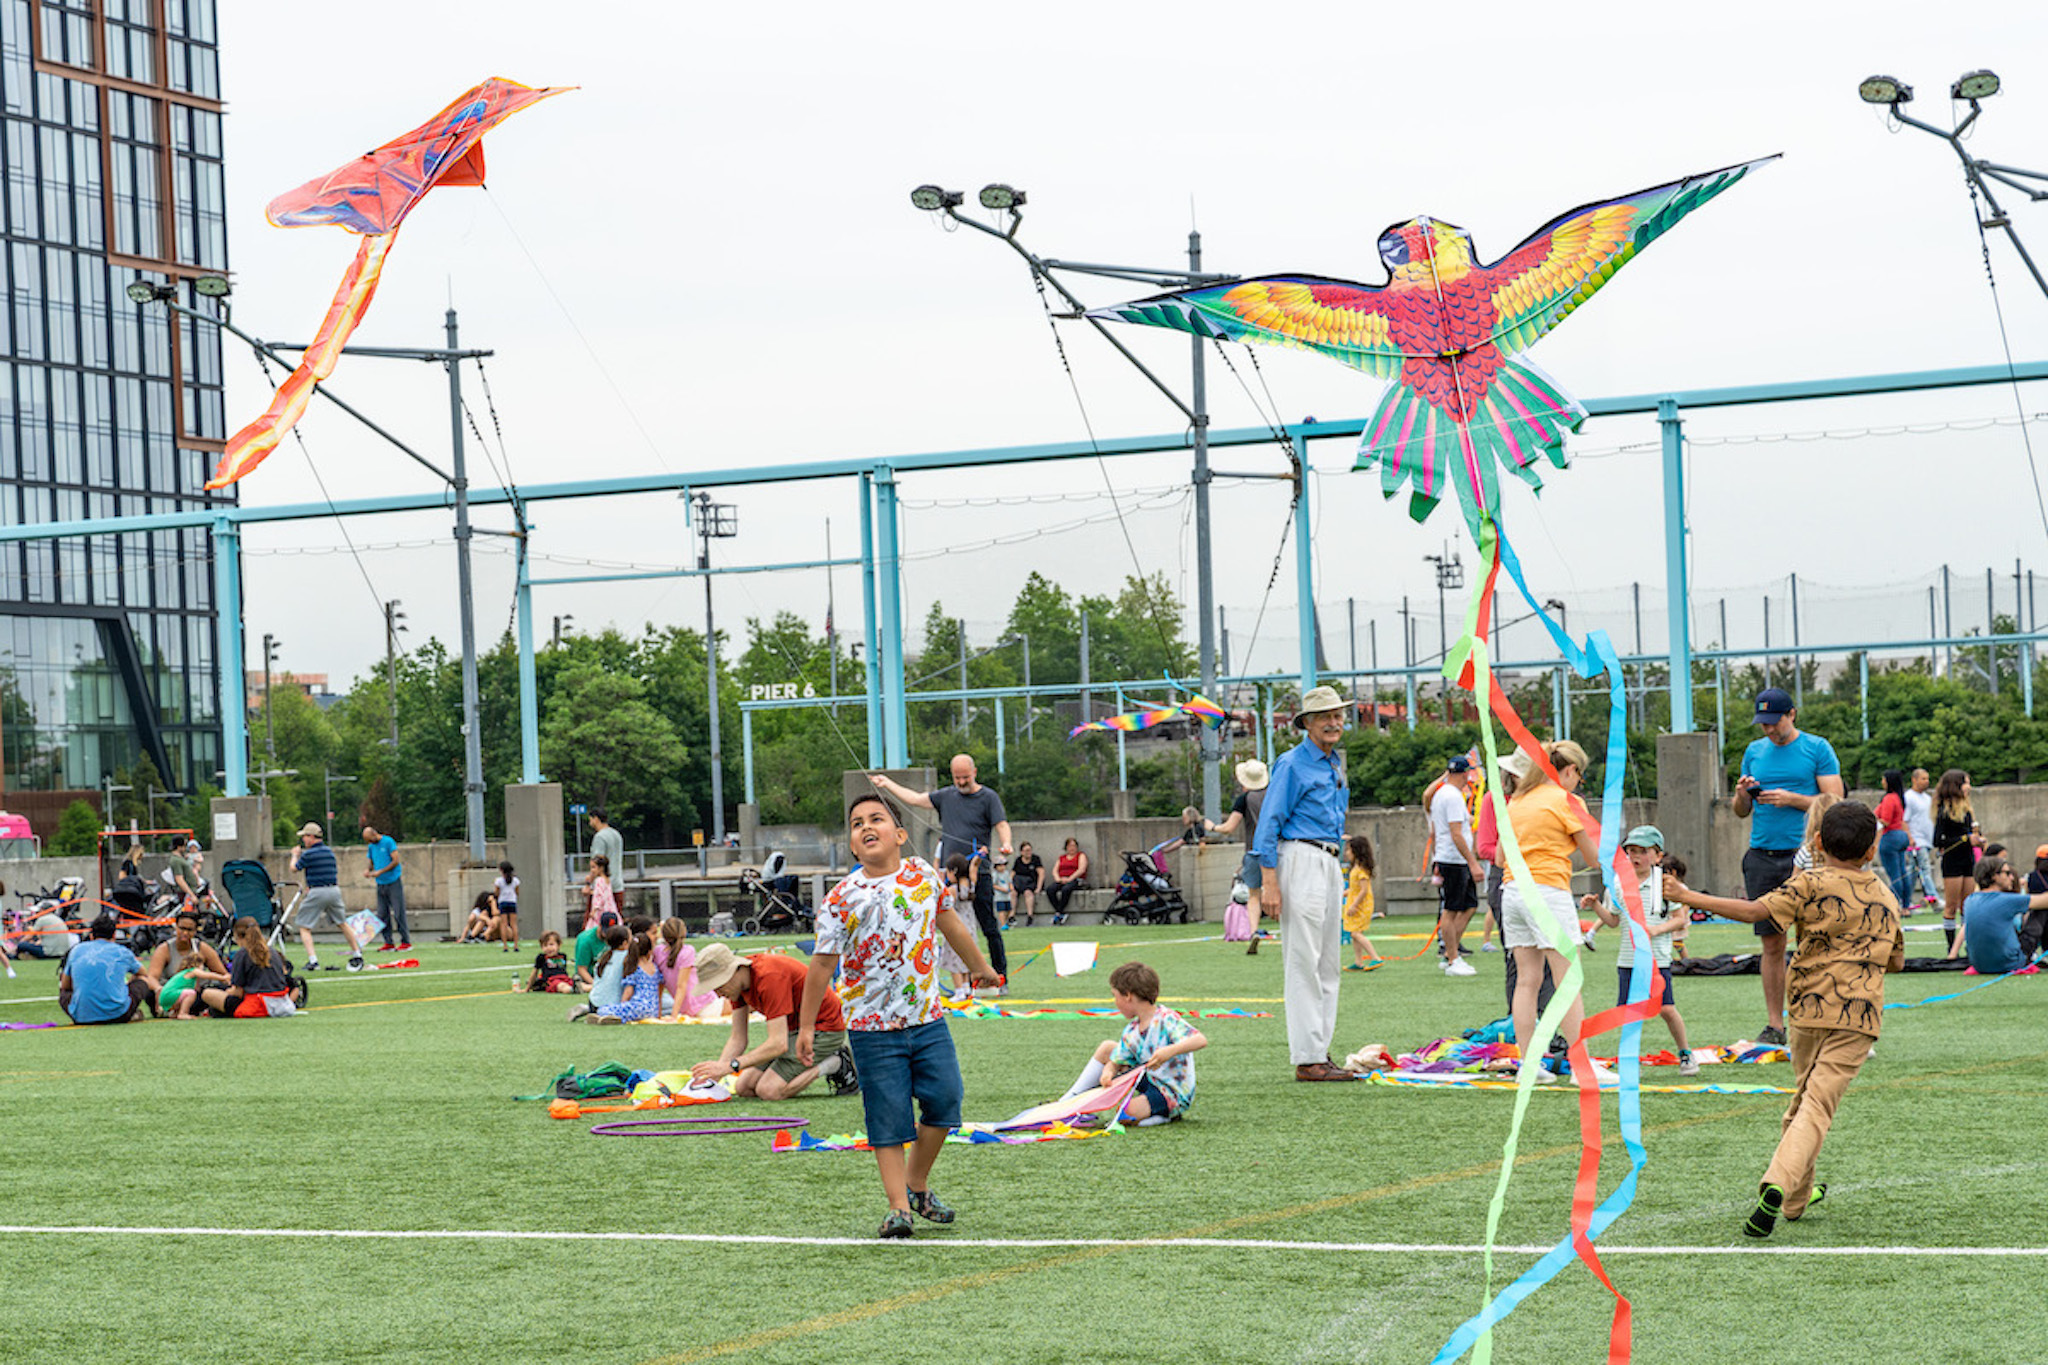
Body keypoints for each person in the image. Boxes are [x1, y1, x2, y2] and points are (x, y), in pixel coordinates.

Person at [1662, 801, 1905, 1236]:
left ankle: (1793, 1199)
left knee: (1802, 1104)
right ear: (1873, 850)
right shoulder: (1886, 897)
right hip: (1858, 1017)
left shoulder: (1807, 882)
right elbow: (1898, 962)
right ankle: (1777, 1182)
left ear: (1816, 843)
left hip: (1807, 1012)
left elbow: (1757, 912)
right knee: (1816, 1105)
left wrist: (1687, 896)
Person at [798, 792, 999, 1238]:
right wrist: (807, 1024)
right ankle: (898, 1209)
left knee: (946, 1101)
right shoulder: (841, 898)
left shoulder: (924, 876)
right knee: (887, 1119)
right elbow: (821, 966)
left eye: (877, 819)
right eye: (856, 824)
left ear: (901, 834)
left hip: (927, 1020)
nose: (867, 827)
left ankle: (916, 1184)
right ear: (852, 845)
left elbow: (951, 925)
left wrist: (980, 967)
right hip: (872, 1030)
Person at [1252, 685, 1356, 1082]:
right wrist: (1269, 880)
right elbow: (1270, 822)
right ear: (1307, 723)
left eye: (1338, 716)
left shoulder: (1332, 763)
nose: (1334, 722)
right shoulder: (1292, 764)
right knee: (1304, 960)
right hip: (1301, 857)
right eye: (1325, 716)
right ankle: (1308, 1055)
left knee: (1328, 962)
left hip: (1329, 859)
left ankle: (1319, 1051)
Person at [1733, 686, 1845, 1048]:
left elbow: (1835, 803)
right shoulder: (1754, 751)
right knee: (1771, 945)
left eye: (1774, 722)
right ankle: (1774, 1025)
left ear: (1792, 715)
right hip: (1762, 855)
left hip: (1808, 856)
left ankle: (1826, 1020)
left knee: (1817, 940)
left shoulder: (1817, 748)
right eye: (1763, 723)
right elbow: (1741, 811)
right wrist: (1741, 794)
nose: (1768, 730)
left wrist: (1793, 799)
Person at [1501, 740, 1615, 1085]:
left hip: (1512, 891)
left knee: (1527, 980)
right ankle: (1582, 1066)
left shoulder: (1517, 800)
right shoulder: (1566, 800)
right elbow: (1594, 857)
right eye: (1578, 776)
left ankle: (1528, 1064)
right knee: (1567, 979)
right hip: (1546, 890)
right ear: (1569, 771)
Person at [869, 756, 1013, 988]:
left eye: (966, 777)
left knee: (988, 927)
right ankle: (962, 984)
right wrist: (887, 784)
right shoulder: (946, 796)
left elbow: (1001, 824)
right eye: (957, 777)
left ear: (975, 772)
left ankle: (1000, 976)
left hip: (978, 873)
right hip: (950, 875)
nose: (961, 782)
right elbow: (915, 799)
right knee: (952, 929)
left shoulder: (988, 797)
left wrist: (1006, 843)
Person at [1580, 825, 1696, 1076]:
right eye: (1631, 851)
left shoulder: (1665, 884)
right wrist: (1596, 906)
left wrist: (1656, 931)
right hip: (1628, 960)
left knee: (1666, 1008)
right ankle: (1629, 1059)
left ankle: (1686, 1053)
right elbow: (1612, 921)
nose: (1635, 857)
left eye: (1643, 851)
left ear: (1658, 856)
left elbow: (1679, 919)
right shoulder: (1619, 885)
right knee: (1629, 1012)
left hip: (1658, 961)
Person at [691, 943, 858, 1101]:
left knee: (769, 1090)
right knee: (744, 1087)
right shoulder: (738, 985)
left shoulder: (769, 977)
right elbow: (738, 1039)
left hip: (824, 1029)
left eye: (718, 985)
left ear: (732, 972)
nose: (718, 995)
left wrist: (731, 1065)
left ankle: (835, 1062)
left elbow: (778, 1044)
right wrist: (715, 1076)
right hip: (794, 1031)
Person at [1060, 960, 1207, 1125]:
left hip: (1172, 1092)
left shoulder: (1166, 1018)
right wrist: (1108, 1072)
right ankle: (1068, 1104)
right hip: (1150, 1080)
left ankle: (1165, 1116)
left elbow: (1200, 1040)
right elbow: (1117, 1059)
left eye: (1115, 996)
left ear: (1128, 996)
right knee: (1107, 1048)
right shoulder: (1132, 1030)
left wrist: (1170, 1051)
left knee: (1124, 1115)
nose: (1114, 1001)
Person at [1201, 759, 1271, 955]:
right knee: (1283, 892)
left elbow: (1229, 828)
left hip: (1253, 851)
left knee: (1254, 895)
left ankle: (1253, 931)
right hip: (1278, 850)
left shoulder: (1244, 799)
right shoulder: (1275, 795)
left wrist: (1211, 826)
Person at [1420, 754, 1481, 976]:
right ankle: (1453, 958)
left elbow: (1437, 830)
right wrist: (1473, 863)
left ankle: (1450, 951)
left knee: (1469, 905)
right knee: (1451, 909)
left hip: (1451, 858)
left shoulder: (1442, 795)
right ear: (1464, 773)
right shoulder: (1452, 796)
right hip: (1453, 859)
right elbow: (1456, 833)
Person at [289, 822, 363, 973]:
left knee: (304, 927)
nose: (303, 840)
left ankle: (313, 961)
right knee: (342, 923)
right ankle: (357, 953)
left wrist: (294, 856)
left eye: (304, 837)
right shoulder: (329, 852)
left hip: (317, 892)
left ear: (311, 837)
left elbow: (294, 869)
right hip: (334, 890)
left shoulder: (308, 854)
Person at [1959, 856, 2048, 975]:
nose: (2012, 877)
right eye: (2007, 873)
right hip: (2010, 963)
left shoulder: (1970, 900)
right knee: (2042, 909)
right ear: (1994, 876)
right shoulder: (2005, 900)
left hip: (1979, 965)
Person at [58, 914, 150, 1024]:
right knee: (142, 980)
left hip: (81, 1016)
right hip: (118, 1015)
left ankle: (84, 1008)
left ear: (91, 935)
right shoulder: (122, 952)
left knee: (64, 988)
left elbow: (65, 985)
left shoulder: (77, 950)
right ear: (114, 935)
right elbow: (143, 973)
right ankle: (134, 1011)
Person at [201, 916, 299, 1019]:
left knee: (207, 994)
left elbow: (238, 993)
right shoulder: (273, 952)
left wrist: (227, 992)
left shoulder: (242, 954)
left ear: (238, 936)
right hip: (281, 1004)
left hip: (257, 1004)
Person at [1932, 769, 1982, 956]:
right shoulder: (1944, 810)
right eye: (1966, 783)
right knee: (1951, 906)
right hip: (1952, 861)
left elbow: (1972, 833)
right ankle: (1952, 948)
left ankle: (1969, 946)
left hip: (1968, 859)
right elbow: (1938, 840)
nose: (1969, 787)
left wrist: (1978, 839)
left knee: (1967, 906)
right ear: (1956, 786)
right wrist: (1964, 839)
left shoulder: (1967, 808)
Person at [145, 909, 229, 1020]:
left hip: (195, 997)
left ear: (195, 931)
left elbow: (223, 974)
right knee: (148, 992)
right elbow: (152, 977)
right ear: (175, 927)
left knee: (219, 990)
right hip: (170, 995)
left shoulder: (202, 948)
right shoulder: (164, 949)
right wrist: (158, 990)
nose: (185, 933)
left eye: (189, 930)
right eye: (182, 928)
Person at [652, 918, 719, 1019]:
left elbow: (661, 986)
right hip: (705, 1005)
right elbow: (681, 986)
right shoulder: (687, 951)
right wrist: (673, 1016)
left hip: (695, 1006)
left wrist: (659, 1014)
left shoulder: (658, 952)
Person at [588, 932, 660, 1024]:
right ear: (650, 951)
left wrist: (622, 1005)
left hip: (639, 1007)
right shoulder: (655, 968)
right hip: (654, 1010)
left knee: (604, 1009)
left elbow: (628, 992)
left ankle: (613, 1017)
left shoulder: (634, 969)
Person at [360, 822, 409, 952]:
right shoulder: (371, 846)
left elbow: (395, 861)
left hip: (393, 881)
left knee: (398, 912)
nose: (370, 843)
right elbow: (371, 861)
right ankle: (389, 942)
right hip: (380, 884)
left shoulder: (388, 842)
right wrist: (368, 870)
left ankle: (405, 941)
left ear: (375, 834)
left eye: (370, 840)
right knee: (382, 914)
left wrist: (380, 871)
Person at [1874, 769, 1914, 911]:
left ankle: (1895, 903)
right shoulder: (1898, 797)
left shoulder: (1889, 798)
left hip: (1890, 836)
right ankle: (1905, 904)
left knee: (1894, 875)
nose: (1882, 782)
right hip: (1901, 836)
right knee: (1903, 872)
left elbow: (1885, 820)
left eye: (1884, 779)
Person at [1903, 767, 1942, 911]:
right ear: (1914, 779)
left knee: (1913, 872)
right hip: (1917, 841)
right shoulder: (1908, 797)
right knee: (1924, 869)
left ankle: (1904, 899)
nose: (1926, 782)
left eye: (1927, 779)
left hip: (1927, 840)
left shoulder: (1927, 799)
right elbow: (1904, 820)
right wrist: (1910, 837)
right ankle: (1934, 898)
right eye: (1923, 778)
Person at [1344, 835, 1380, 969]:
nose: (1346, 853)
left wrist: (1354, 905)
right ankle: (1358, 962)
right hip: (1356, 906)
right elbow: (1355, 889)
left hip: (1361, 907)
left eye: (1349, 850)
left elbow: (1364, 891)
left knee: (1356, 933)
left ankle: (1375, 957)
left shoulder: (1361, 870)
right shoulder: (1355, 869)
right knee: (1354, 934)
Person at [584, 808, 624, 914]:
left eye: (591, 819)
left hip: (602, 887)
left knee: (593, 925)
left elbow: (597, 863)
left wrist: (589, 883)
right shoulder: (616, 835)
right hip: (617, 885)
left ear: (596, 819)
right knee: (615, 924)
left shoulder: (600, 837)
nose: (590, 823)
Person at [1044, 837, 1090, 925]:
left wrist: (1070, 878)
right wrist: (1058, 879)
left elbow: (1081, 869)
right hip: (1062, 879)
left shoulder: (1081, 855)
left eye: (1074, 846)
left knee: (1066, 889)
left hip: (1075, 879)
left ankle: (1058, 913)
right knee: (1050, 889)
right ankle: (1060, 913)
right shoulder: (1062, 858)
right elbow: (1055, 870)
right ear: (1066, 847)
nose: (1072, 848)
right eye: (1070, 846)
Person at [1010, 842, 1043, 928]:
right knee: (1013, 893)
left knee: (1028, 893)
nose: (1028, 852)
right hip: (1019, 882)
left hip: (1030, 882)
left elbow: (1041, 873)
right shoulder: (1018, 860)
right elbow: (1012, 874)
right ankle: (1011, 916)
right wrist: (1010, 885)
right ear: (1021, 852)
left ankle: (1030, 916)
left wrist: (1038, 888)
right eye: (1026, 851)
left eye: (1029, 850)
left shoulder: (1035, 859)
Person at [584, 854, 620, 932]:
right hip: (610, 908)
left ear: (601, 868)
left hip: (600, 910)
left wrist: (594, 910)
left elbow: (599, 896)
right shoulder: (607, 880)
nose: (592, 870)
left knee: (594, 929)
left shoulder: (599, 880)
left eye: (594, 867)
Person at [493, 861, 520, 952]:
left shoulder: (499, 881)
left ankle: (505, 946)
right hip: (512, 902)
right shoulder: (515, 880)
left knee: (503, 924)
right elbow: (517, 892)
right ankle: (516, 946)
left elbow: (496, 893)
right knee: (514, 924)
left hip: (503, 902)